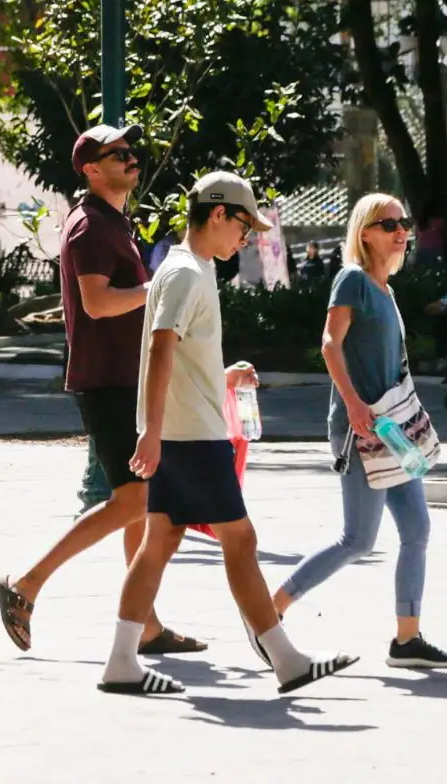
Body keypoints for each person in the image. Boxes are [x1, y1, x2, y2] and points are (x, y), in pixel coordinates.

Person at [99, 171, 359, 696]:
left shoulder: (187, 270)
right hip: (191, 437)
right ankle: (284, 659)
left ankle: (122, 662)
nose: (246, 238)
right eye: (244, 226)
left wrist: (221, 379)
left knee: (160, 543)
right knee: (240, 539)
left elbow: (177, 355)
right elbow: (158, 348)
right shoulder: (186, 273)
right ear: (217, 214)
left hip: (187, 430)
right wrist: (149, 430)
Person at [0, 125, 203, 657]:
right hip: (107, 380)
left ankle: (146, 625)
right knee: (134, 499)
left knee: (144, 503)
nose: (133, 160)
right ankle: (27, 585)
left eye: (134, 152)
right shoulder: (89, 226)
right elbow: (97, 303)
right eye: (120, 155)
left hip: (124, 378)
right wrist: (157, 287)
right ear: (91, 169)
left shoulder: (115, 222)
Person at [270, 193, 447, 670]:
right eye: (389, 223)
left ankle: (407, 639)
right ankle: (267, 615)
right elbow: (330, 344)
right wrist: (354, 404)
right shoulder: (352, 279)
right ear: (365, 232)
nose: (401, 231)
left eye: (405, 222)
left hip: (393, 429)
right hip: (360, 429)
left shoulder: (386, 289)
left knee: (417, 529)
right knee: (357, 540)